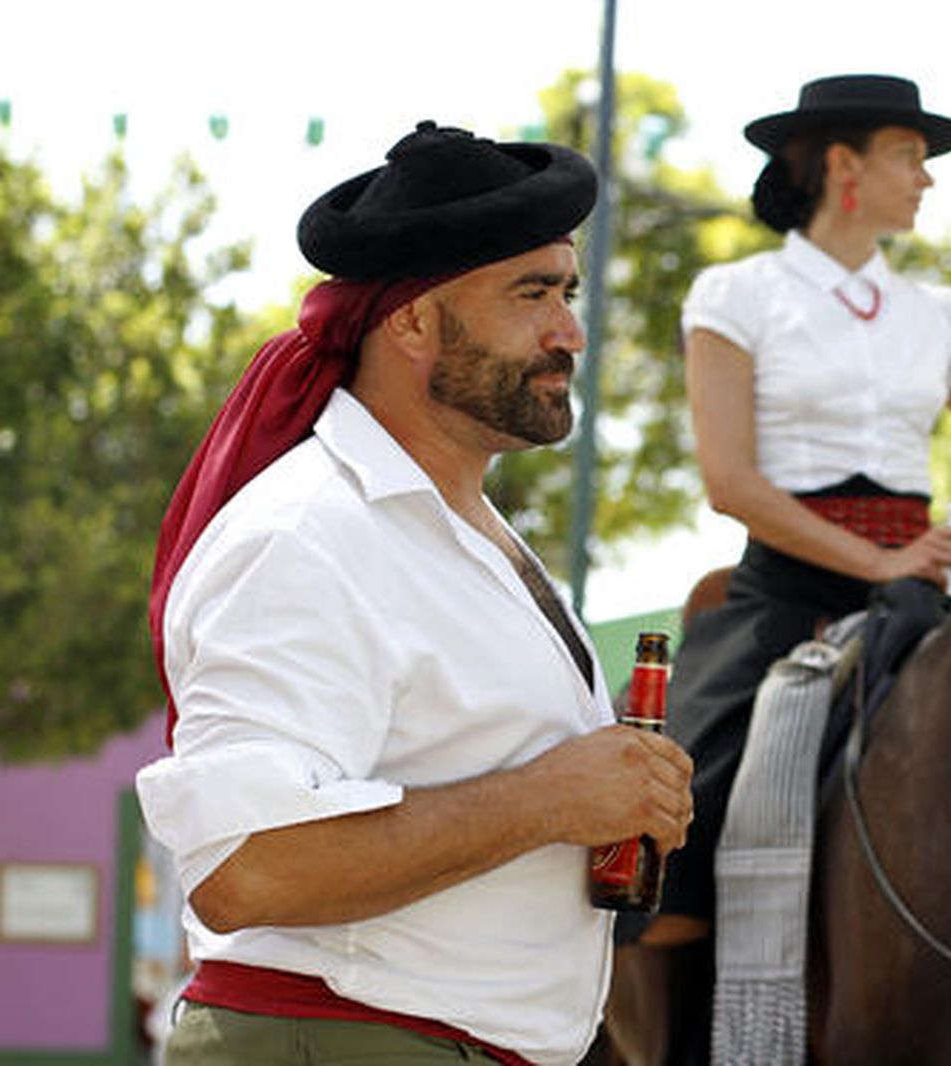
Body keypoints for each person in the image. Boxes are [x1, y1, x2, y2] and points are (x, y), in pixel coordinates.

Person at [134, 121, 694, 1066]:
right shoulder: (304, 537)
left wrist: (617, 796)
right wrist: (550, 800)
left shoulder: (465, 531)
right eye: (531, 294)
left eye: (567, 292)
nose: (570, 332)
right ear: (413, 321)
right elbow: (245, 867)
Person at [623, 74, 951, 1059]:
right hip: (780, 591)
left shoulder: (939, 312)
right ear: (842, 167)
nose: (929, 179)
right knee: (675, 822)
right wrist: (880, 554)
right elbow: (729, 480)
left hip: (920, 592)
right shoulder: (737, 293)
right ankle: (665, 1039)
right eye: (910, 154)